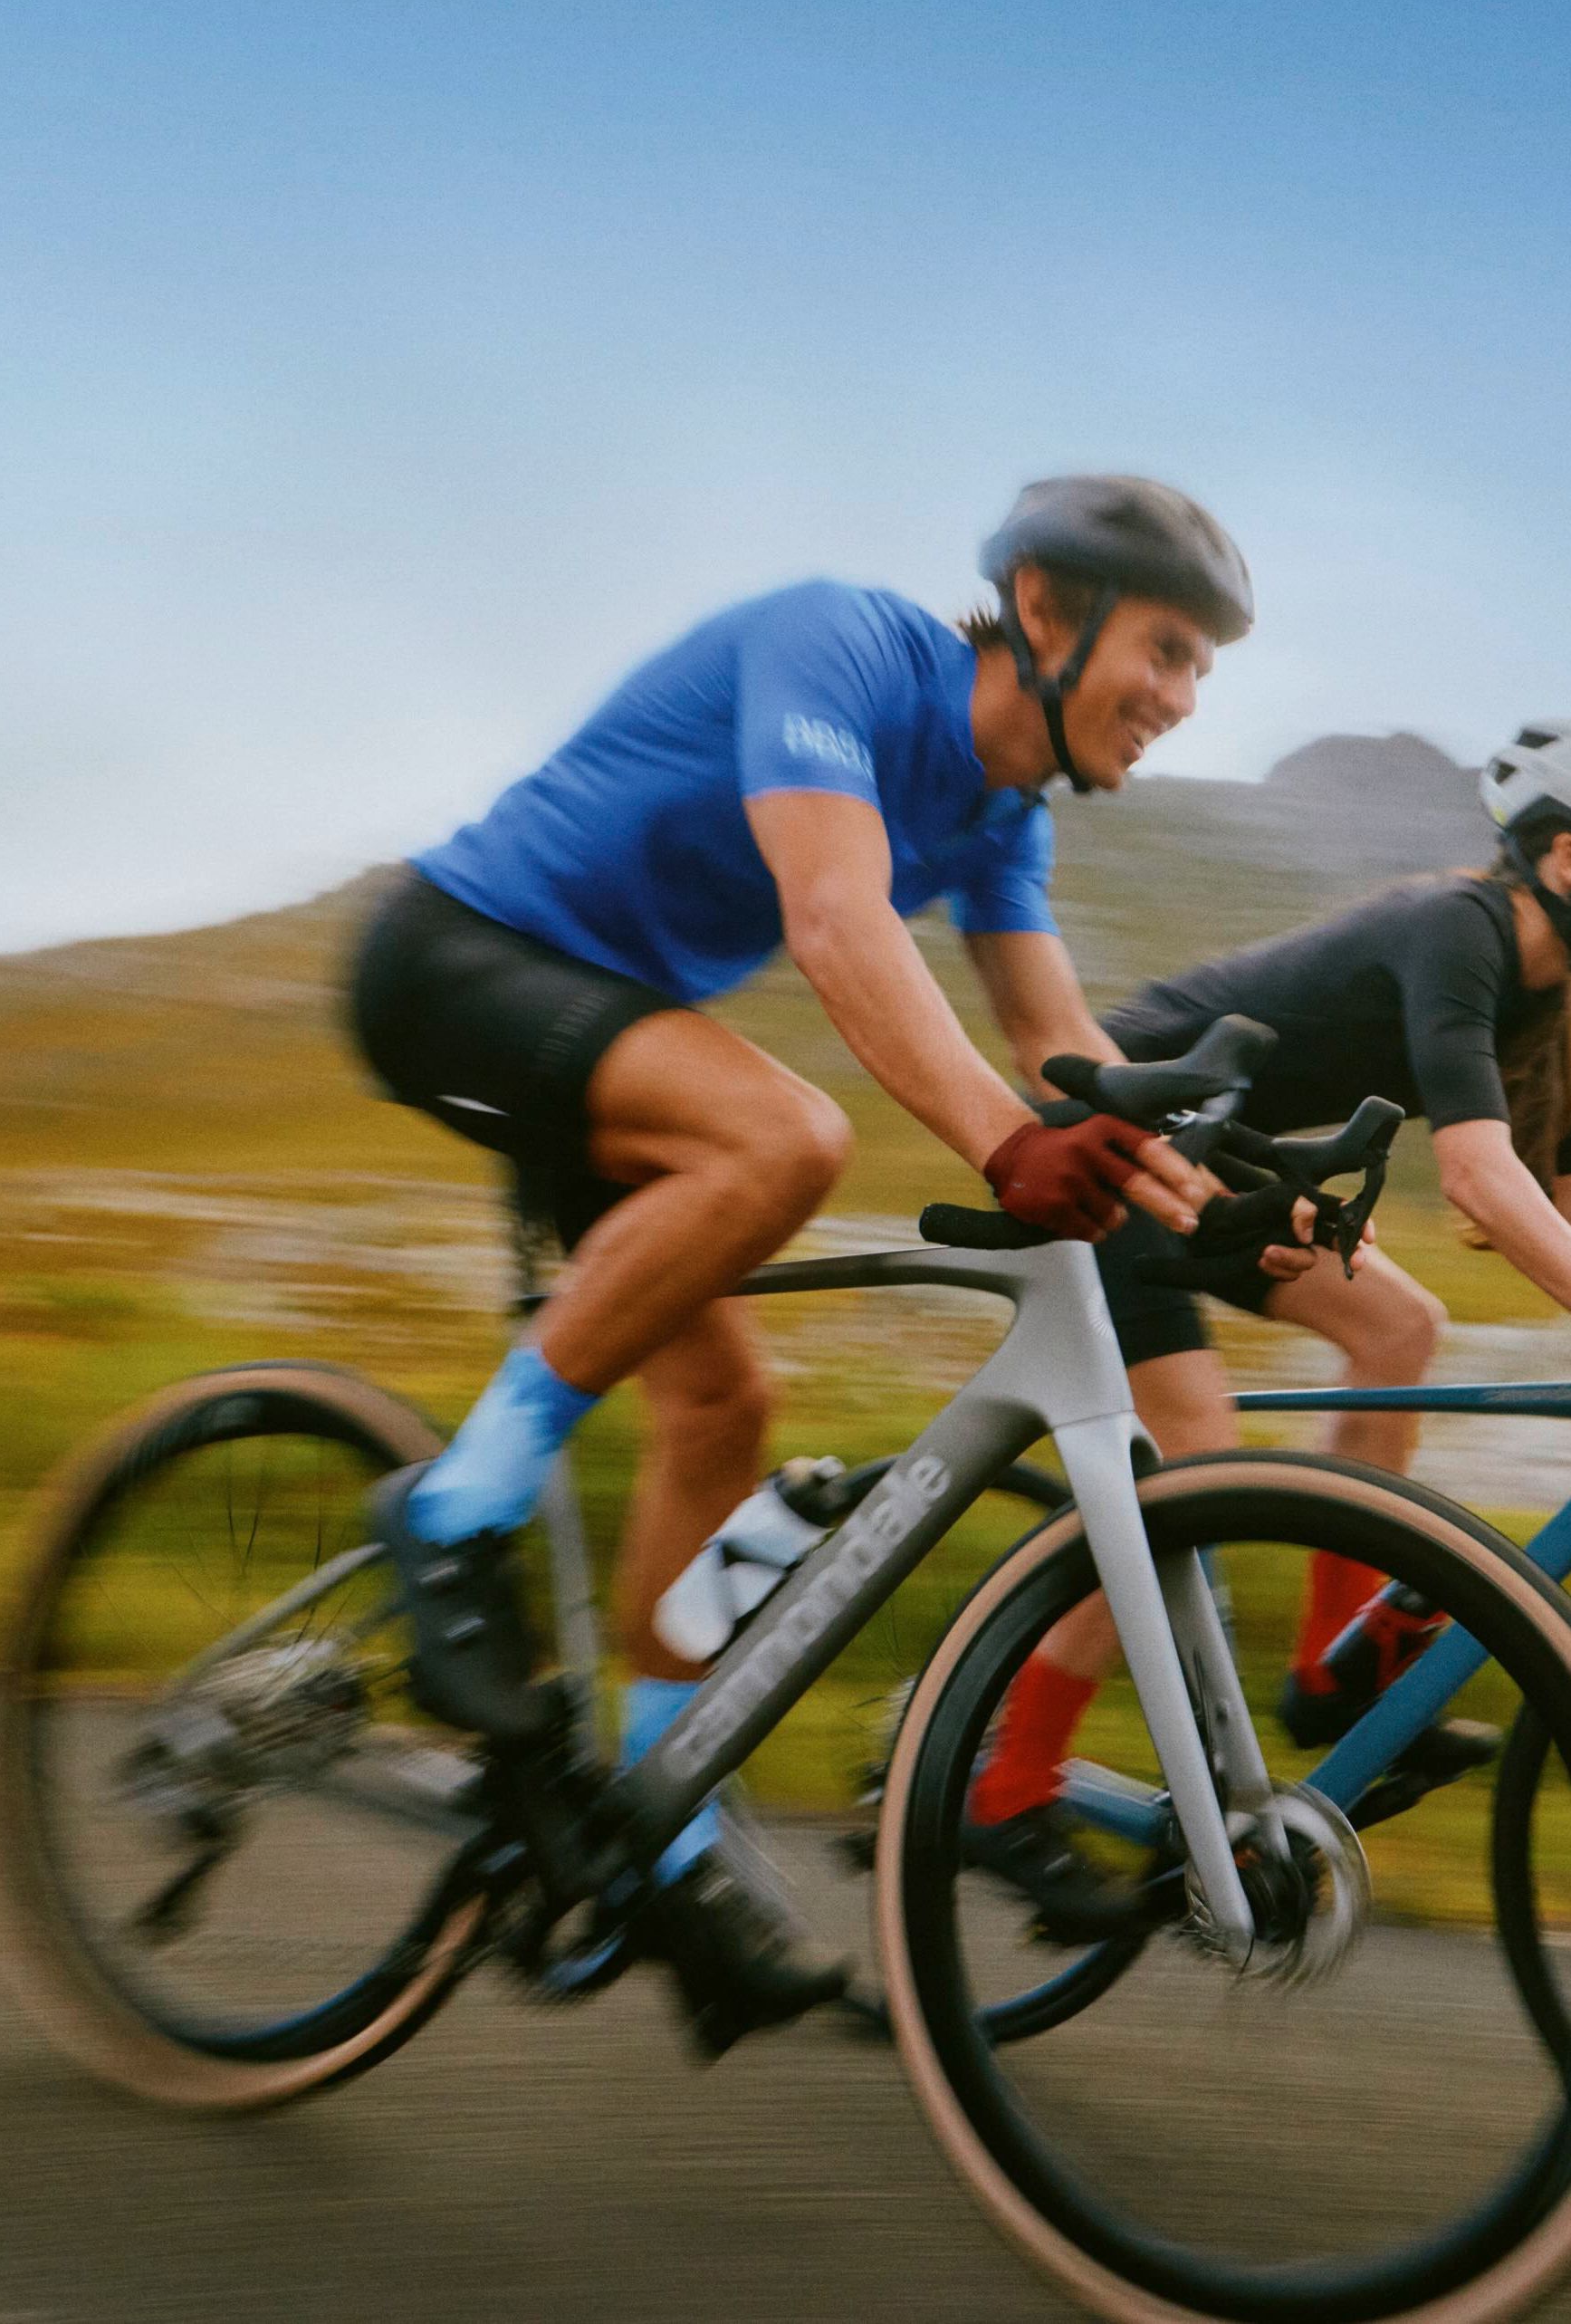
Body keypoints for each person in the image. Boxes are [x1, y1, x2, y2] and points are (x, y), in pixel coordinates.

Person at [347, 475, 1258, 2052]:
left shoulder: (1001, 814)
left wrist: (1223, 1205)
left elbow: (1056, 1044)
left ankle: (660, 1838)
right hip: (456, 964)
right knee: (782, 1140)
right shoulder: (839, 647)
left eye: (1200, 673)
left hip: (598, 1051)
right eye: (1164, 652)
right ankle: (451, 1515)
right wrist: (1000, 1148)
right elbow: (835, 920)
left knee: (721, 1415)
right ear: (1042, 610)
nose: (1176, 700)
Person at [967, 719, 1571, 1936]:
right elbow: (1476, 1178)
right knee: (1189, 1460)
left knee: (1399, 1326)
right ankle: (1005, 1782)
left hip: (1223, 1168)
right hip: (1115, 1135)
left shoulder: (1547, 1002)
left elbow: (1554, 1190)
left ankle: (1325, 1668)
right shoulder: (1456, 931)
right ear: (1561, 859)